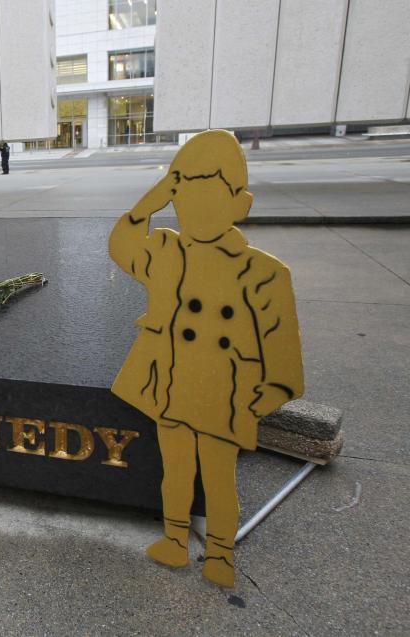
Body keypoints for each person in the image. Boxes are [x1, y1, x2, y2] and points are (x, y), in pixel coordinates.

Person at [108, 129, 303, 588]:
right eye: (185, 201)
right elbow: (122, 247)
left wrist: (268, 394)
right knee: (175, 469)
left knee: (219, 476)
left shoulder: (263, 271)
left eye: (211, 201)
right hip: (173, 382)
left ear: (241, 205)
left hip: (226, 391)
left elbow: (281, 343)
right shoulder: (167, 251)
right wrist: (148, 204)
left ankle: (220, 554)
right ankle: (175, 540)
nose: (196, 213)